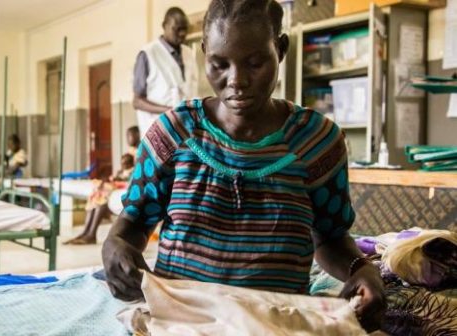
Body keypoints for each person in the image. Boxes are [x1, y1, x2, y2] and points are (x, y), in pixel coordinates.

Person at [102, 0, 385, 332]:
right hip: (183, 320)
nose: (236, 80)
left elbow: (331, 238)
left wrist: (360, 268)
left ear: (280, 49)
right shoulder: (174, 132)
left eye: (254, 63)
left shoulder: (316, 143)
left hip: (277, 323)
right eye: (219, 64)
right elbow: (132, 224)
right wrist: (115, 246)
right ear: (204, 52)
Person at [64, 127, 140, 245]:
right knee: (97, 191)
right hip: (121, 180)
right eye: (127, 136)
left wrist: (118, 178)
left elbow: (135, 172)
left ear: (138, 135)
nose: (128, 139)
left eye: (130, 136)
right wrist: (113, 177)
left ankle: (91, 233)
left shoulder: (140, 151)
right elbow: (123, 168)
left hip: (129, 183)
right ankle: (86, 231)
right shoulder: (131, 150)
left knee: (103, 195)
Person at [133, 7, 199, 134]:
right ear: (164, 26)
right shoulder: (148, 54)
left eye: (185, 29)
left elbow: (191, 89)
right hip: (158, 131)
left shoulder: (189, 53)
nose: (182, 33)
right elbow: (137, 101)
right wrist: (171, 110)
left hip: (186, 129)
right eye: (177, 29)